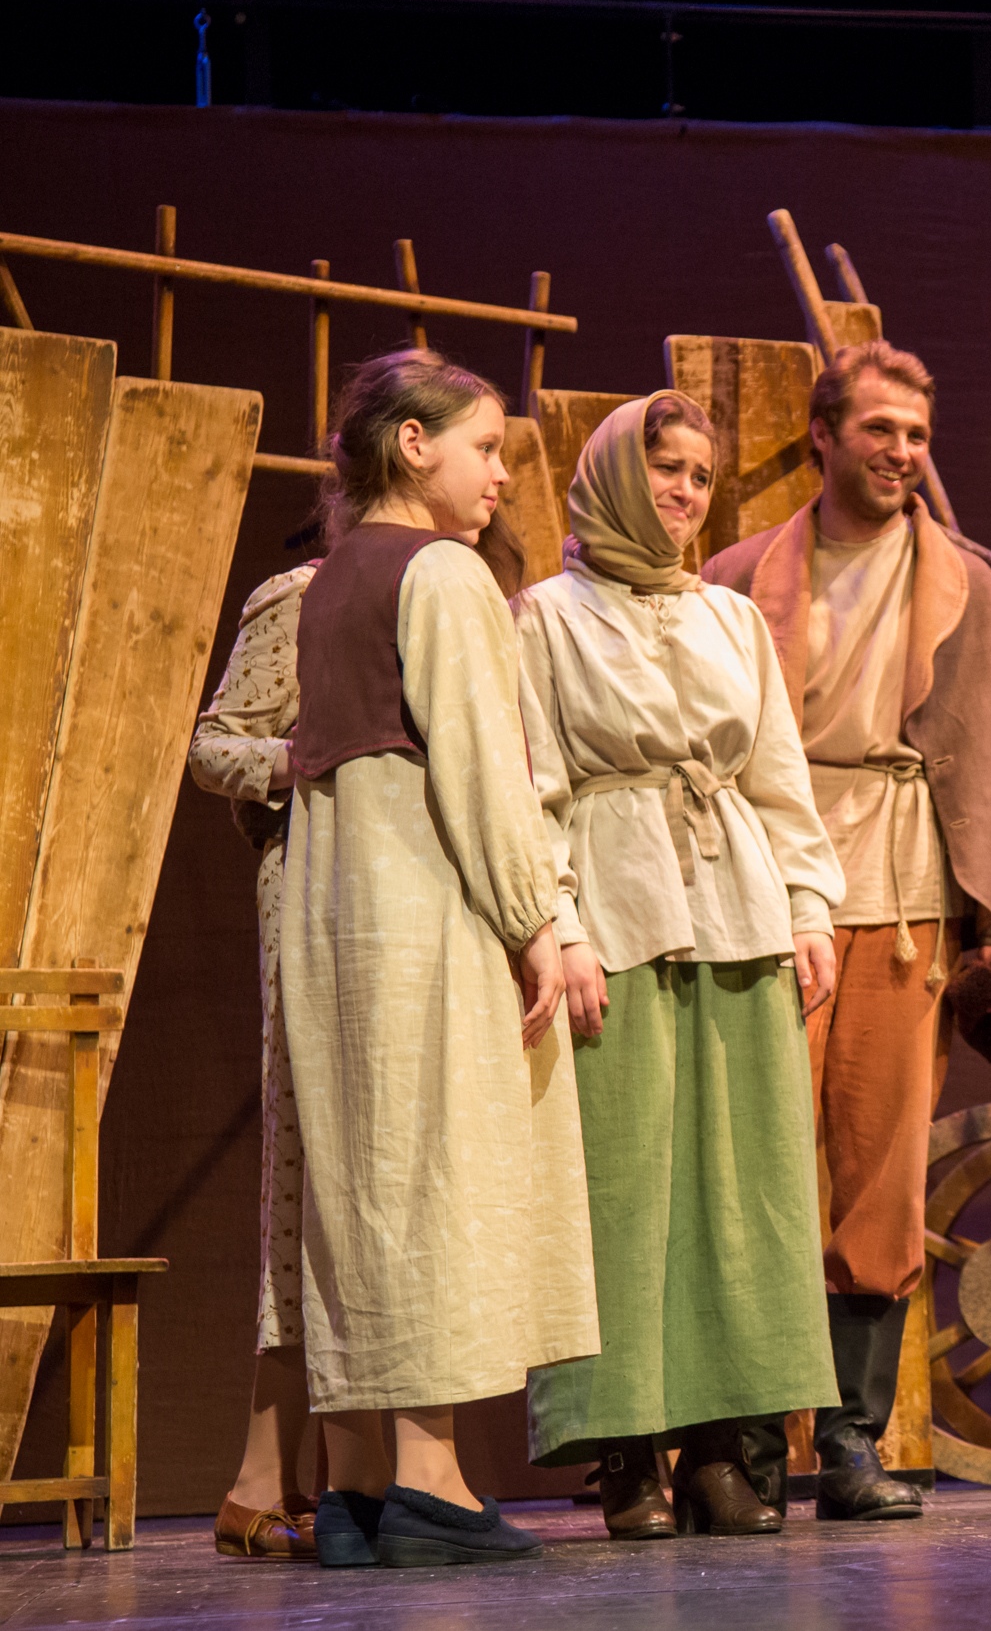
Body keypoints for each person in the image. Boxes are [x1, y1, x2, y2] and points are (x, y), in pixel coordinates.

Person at [702, 340, 991, 1521]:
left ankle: (851, 1439)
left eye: (916, 434)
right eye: (879, 431)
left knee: (882, 1174)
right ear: (824, 435)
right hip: (767, 892)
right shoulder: (739, 578)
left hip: (906, 901)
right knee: (759, 1168)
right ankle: (751, 1440)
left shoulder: (970, 586)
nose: (902, 452)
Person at [279, 347, 599, 1567]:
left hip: (336, 909)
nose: (502, 476)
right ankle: (430, 1481)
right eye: (485, 448)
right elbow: (480, 764)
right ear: (412, 445)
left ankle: (355, 1488)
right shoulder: (443, 571)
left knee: (364, 1185)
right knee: (434, 1176)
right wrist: (536, 919)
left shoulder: (327, 581)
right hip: (422, 900)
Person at [512, 392, 848, 1536]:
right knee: (623, 1187)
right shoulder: (544, 617)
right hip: (615, 907)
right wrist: (560, 925)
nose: (685, 493)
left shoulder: (730, 618)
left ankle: (715, 1448)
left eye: (701, 475)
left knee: (742, 1189)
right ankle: (624, 1457)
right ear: (616, 473)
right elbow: (532, 789)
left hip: (736, 906)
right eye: (666, 468)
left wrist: (808, 907)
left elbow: (776, 775)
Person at [190, 560, 322, 1561]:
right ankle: (260, 1474)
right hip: (314, 877)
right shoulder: (303, 593)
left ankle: (329, 1474)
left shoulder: (463, 585)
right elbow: (213, 745)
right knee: (305, 1170)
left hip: (413, 892)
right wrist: (303, 759)